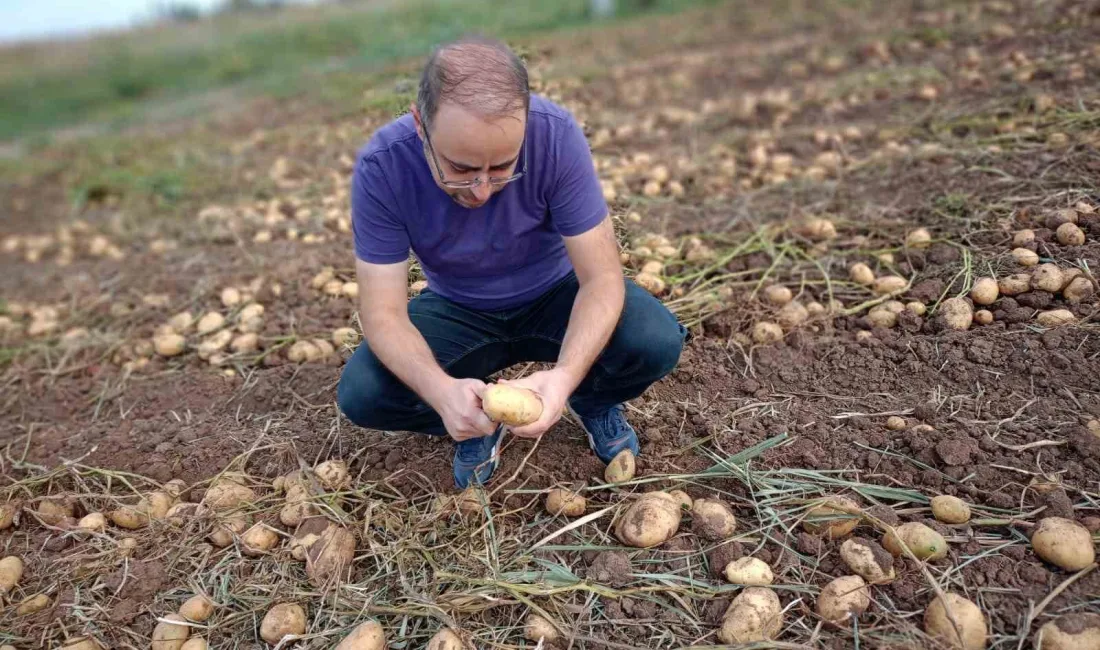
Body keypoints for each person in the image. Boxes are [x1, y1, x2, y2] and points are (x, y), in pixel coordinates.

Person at [337, 36, 686, 488]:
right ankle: (473, 421)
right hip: (458, 308)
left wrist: (563, 378)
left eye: (502, 167)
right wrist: (442, 393)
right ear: (420, 124)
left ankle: (593, 399)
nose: (481, 190)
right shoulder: (382, 168)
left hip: (555, 294)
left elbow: (601, 280)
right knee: (365, 394)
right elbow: (382, 313)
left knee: (653, 340)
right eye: (460, 168)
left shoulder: (555, 134)